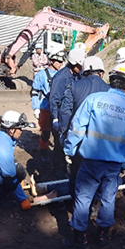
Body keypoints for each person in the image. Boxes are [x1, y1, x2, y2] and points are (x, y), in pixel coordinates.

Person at [62, 63, 125, 249]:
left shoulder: (94, 100)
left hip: (91, 161)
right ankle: (103, 234)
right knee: (108, 198)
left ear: (111, 80)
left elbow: (77, 128)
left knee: (83, 197)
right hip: (114, 165)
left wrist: (69, 150)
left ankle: (79, 239)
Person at [59, 56, 111, 197]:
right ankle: (93, 205)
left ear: (85, 71)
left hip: (78, 140)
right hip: (102, 142)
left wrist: (64, 136)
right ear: (101, 72)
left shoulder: (74, 86)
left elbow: (65, 113)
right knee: (98, 176)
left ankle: (74, 202)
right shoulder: (110, 91)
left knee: (76, 172)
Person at [49, 47, 86, 178]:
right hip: (60, 117)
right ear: (73, 63)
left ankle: (71, 167)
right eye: (79, 65)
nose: (81, 68)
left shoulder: (78, 75)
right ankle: (58, 171)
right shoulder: (61, 77)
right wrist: (55, 119)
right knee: (59, 145)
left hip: (72, 116)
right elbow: (54, 99)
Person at [30, 48, 66, 163]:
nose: (60, 64)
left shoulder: (62, 75)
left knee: (59, 132)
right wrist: (36, 108)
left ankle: (57, 153)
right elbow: (34, 91)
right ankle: (43, 151)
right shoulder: (41, 75)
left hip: (58, 108)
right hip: (45, 108)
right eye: (58, 61)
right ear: (51, 60)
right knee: (45, 132)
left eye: (61, 62)